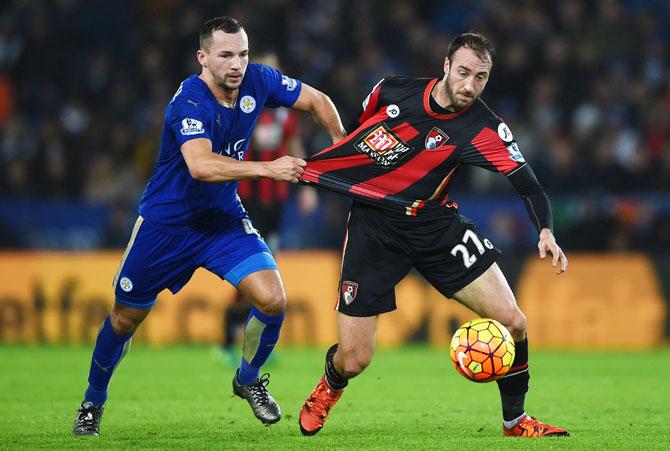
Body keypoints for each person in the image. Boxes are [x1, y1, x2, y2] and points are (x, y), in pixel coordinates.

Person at [72, 16, 346, 436]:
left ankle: (248, 378)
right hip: (166, 226)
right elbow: (200, 166)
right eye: (225, 55)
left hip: (221, 220)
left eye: (243, 54)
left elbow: (318, 101)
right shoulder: (189, 100)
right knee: (124, 319)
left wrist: (342, 152)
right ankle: (93, 401)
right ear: (203, 58)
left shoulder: (259, 79)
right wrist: (268, 169)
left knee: (273, 300)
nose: (237, 64)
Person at [298, 32, 570, 437]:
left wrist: (546, 230)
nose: (469, 86)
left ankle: (516, 421)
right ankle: (329, 386)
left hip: (434, 224)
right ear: (445, 65)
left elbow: (528, 185)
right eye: (463, 73)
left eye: (480, 78)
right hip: (375, 225)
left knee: (513, 322)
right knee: (355, 359)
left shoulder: (485, 128)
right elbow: (356, 143)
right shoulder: (390, 91)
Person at [220, 52, 318, 365]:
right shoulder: (242, 106)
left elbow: (294, 146)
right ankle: (227, 340)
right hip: (246, 198)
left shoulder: (286, 114)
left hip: (275, 201)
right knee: (250, 270)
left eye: (278, 70)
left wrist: (305, 190)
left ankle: (252, 343)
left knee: (267, 266)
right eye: (268, 71)